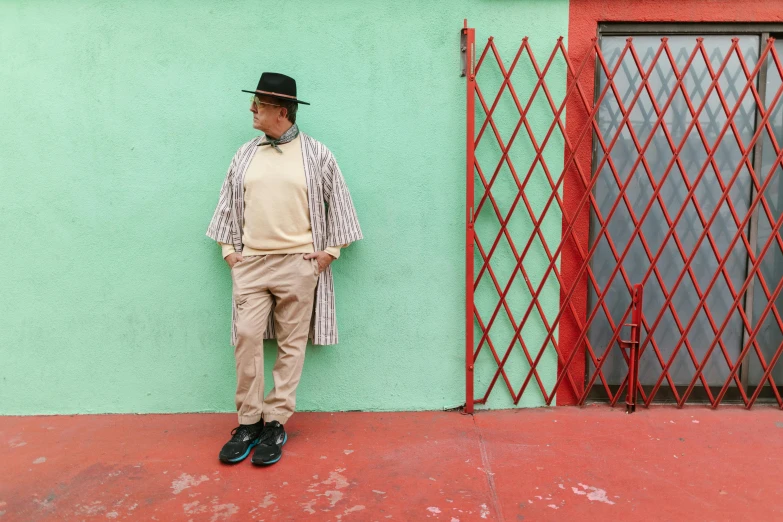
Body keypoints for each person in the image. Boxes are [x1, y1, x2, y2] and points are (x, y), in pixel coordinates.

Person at [206, 72, 363, 466]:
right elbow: (227, 203)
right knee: (246, 337)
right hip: (252, 264)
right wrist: (229, 252)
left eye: (257, 103)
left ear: (281, 110)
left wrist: (330, 253)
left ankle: (275, 422)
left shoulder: (318, 154)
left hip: (299, 265)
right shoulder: (244, 154)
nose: (251, 109)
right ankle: (248, 423)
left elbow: (340, 204)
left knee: (292, 346)